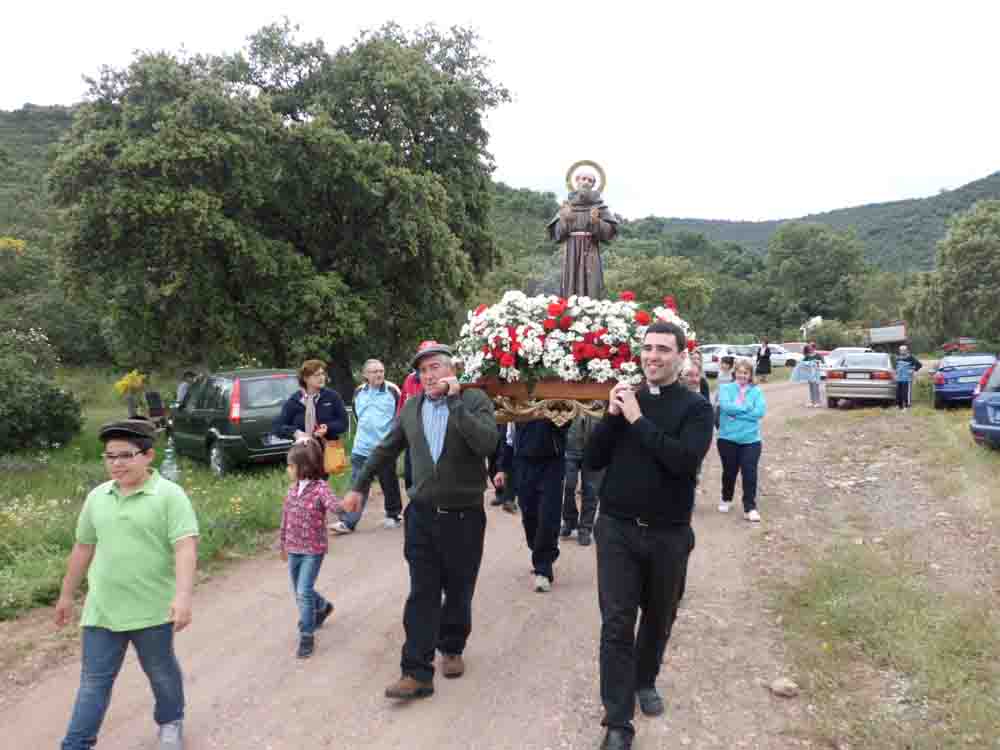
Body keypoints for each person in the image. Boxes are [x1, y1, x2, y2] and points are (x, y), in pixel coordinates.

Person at [340, 343, 497, 700]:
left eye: (435, 367)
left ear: (451, 369)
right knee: (422, 593)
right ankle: (416, 672)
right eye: (422, 371)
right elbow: (385, 448)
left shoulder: (474, 401)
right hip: (422, 516)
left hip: (465, 517)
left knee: (459, 589)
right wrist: (359, 485)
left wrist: (456, 402)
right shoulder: (412, 407)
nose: (428, 375)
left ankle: (452, 646)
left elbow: (487, 443)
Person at [584, 321, 713, 750]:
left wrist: (638, 420)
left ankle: (645, 679)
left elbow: (682, 462)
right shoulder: (626, 400)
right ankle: (618, 722)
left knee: (659, 616)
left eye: (663, 349)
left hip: (668, 535)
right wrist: (612, 416)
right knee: (617, 623)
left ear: (680, 356)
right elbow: (593, 458)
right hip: (617, 529)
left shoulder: (695, 408)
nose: (653, 356)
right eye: (647, 348)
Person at [55, 419, 199, 750]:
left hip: (152, 610)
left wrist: (183, 596)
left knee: (161, 673)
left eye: (126, 455)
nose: (117, 463)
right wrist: (66, 594)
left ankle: (171, 721)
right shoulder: (97, 498)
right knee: (93, 683)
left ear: (148, 455)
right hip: (102, 610)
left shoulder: (169, 496)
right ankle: (76, 744)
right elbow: (83, 548)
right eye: (110, 457)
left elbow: (185, 547)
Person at [279, 439, 343, 658]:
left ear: (303, 467)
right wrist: (283, 544)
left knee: (303, 592)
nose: (288, 469)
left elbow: (335, 505)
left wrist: (346, 507)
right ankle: (322, 607)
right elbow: (285, 518)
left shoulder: (320, 489)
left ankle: (307, 635)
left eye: (291, 465)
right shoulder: (292, 490)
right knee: (299, 589)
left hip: (313, 550)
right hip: (294, 548)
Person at [334, 359, 404, 532]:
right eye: (374, 372)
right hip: (361, 447)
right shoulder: (359, 392)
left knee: (389, 482)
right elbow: (358, 417)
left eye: (381, 370)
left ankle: (393, 515)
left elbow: (400, 415)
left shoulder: (393, 390)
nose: (379, 374)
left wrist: (391, 440)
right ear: (365, 375)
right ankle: (348, 522)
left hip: (384, 447)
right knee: (358, 484)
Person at [499, 418, 567, 592]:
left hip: (551, 463)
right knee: (529, 515)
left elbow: (567, 421)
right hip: (523, 463)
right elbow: (509, 438)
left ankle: (543, 568)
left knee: (548, 515)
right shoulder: (518, 401)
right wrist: (503, 468)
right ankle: (539, 550)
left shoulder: (554, 395)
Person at [547, 167, 618, 298]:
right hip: (571, 251)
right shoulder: (567, 206)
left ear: (593, 185)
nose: (586, 182)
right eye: (583, 179)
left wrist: (597, 222)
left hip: (591, 249)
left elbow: (610, 233)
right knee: (570, 281)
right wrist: (565, 219)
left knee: (592, 283)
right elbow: (557, 235)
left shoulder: (599, 207)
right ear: (576, 181)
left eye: (590, 180)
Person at [716, 358, 767, 522]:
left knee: (749, 472)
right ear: (734, 373)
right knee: (729, 471)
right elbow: (725, 406)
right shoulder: (725, 388)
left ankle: (750, 508)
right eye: (739, 372)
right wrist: (746, 409)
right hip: (728, 438)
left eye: (746, 373)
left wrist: (735, 415)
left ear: (750, 375)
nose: (742, 375)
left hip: (751, 440)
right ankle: (726, 498)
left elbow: (759, 412)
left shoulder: (756, 391)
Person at [273, 359, 348, 447]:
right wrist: (295, 432)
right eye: (317, 375)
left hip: (329, 450)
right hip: (305, 451)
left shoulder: (332, 396)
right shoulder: (294, 400)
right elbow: (278, 427)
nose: (321, 377)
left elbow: (343, 423)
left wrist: (327, 427)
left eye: (322, 374)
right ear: (305, 378)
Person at [560, 415, 599, 546]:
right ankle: (569, 520)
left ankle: (585, 528)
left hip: (594, 447)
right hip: (571, 446)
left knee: (591, 490)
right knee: (568, 485)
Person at [894, 344, 923, 409]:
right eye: (901, 350)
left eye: (904, 350)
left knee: (906, 393)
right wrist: (896, 373)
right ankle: (899, 406)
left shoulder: (911, 357)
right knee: (899, 393)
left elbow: (919, 365)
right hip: (899, 378)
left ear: (907, 350)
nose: (902, 351)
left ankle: (907, 406)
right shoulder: (898, 358)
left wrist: (913, 370)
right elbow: (897, 367)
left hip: (907, 379)